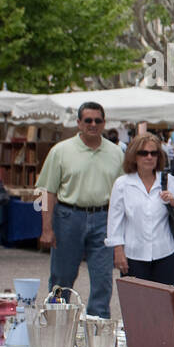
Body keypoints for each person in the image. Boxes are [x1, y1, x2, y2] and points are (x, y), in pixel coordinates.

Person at [38, 102, 124, 317]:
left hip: (104, 219)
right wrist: (46, 229)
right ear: (78, 123)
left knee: (103, 279)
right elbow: (46, 191)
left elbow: (123, 194)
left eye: (98, 120)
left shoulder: (116, 153)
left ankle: (98, 327)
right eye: (88, 120)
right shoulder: (61, 151)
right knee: (61, 277)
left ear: (104, 123)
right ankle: (56, 322)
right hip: (68, 217)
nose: (93, 124)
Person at [105, 133, 174, 286]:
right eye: (143, 153)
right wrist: (118, 250)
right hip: (134, 253)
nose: (149, 157)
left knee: (165, 303)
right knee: (136, 303)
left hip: (166, 251)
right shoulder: (122, 184)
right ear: (134, 156)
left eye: (154, 153)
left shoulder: (168, 180)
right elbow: (114, 220)